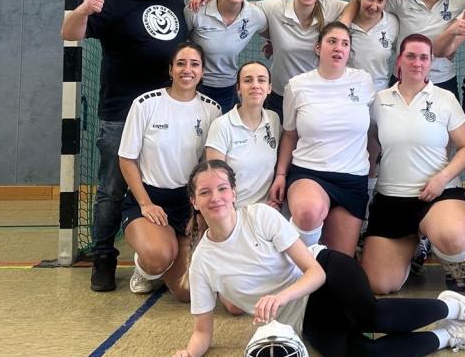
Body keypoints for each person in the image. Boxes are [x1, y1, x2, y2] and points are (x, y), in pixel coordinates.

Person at [169, 160, 465, 357]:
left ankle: (455, 307)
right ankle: (446, 336)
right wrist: (188, 354)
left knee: (371, 316)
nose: (216, 197)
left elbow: (314, 272)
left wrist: (280, 297)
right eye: (205, 192)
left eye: (222, 188)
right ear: (195, 201)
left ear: (233, 192)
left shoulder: (259, 217)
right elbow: (202, 333)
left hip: (324, 271)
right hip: (303, 318)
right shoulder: (203, 262)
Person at [60, 0, 187, 292]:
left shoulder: (175, 0)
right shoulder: (113, 1)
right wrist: (84, 9)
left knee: (163, 182)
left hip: (164, 118)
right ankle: (103, 257)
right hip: (121, 116)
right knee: (112, 189)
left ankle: (157, 252)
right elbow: (68, 32)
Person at [362, 34, 465, 293]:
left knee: (452, 237)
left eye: (424, 57)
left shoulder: (445, 99)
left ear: (431, 62)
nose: (417, 62)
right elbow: (372, 144)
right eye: (411, 56)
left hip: (437, 195)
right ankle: (415, 245)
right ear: (399, 61)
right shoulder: (379, 100)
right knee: (379, 285)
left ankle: (448, 251)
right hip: (391, 199)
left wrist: (441, 179)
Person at [117, 43, 221, 299]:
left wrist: (198, 211)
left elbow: (207, 167)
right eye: (181, 64)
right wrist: (145, 204)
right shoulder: (145, 104)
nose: (187, 70)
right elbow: (126, 159)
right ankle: (147, 267)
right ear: (171, 69)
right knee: (159, 256)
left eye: (194, 64)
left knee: (187, 293)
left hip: (186, 204)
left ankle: (169, 255)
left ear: (202, 72)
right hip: (149, 199)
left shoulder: (212, 110)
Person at [189, 0, 347, 121]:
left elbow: (357, 3)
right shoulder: (275, 8)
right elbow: (236, 1)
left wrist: (342, 27)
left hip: (315, 96)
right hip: (279, 96)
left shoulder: (330, 8)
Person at [269, 22, 375, 255]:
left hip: (352, 180)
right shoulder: (297, 85)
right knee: (309, 212)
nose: (338, 48)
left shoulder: (364, 81)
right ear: (318, 47)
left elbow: (372, 132)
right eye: (332, 41)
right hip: (310, 173)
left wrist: (372, 174)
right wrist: (280, 175)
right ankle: (298, 267)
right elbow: (290, 134)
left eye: (345, 43)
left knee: (339, 261)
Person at [185, 0, 266, 112]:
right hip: (195, 86)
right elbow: (178, 44)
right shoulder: (196, 9)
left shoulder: (255, 15)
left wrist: (272, 43)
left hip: (228, 89)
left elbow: (272, 32)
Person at [205, 60, 282, 208]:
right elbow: (214, 180)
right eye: (248, 80)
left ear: (269, 88)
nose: (255, 85)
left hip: (266, 210)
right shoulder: (221, 125)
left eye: (261, 80)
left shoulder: (273, 120)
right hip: (231, 211)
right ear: (238, 88)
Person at [346, 0, 399, 90]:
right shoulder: (344, 22)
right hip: (349, 93)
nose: (374, 6)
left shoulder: (393, 23)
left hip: (379, 93)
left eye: (380, 1)